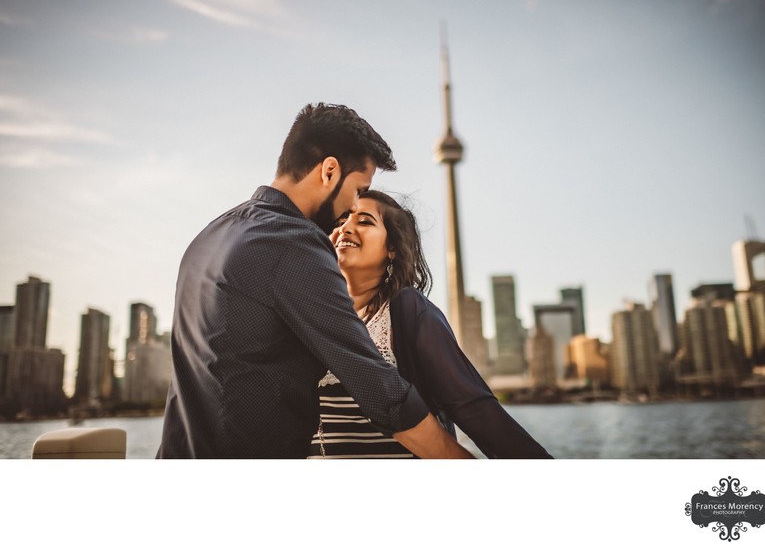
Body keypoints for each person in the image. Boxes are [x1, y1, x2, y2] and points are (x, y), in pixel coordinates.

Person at [157, 103, 473, 459]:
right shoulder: (294, 245)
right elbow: (378, 388)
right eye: (357, 190)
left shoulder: (211, 235)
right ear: (329, 171)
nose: (354, 207)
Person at [308, 190, 553, 459]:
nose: (346, 228)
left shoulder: (406, 309)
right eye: (340, 221)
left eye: (364, 221)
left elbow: (472, 406)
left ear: (392, 249)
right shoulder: (310, 312)